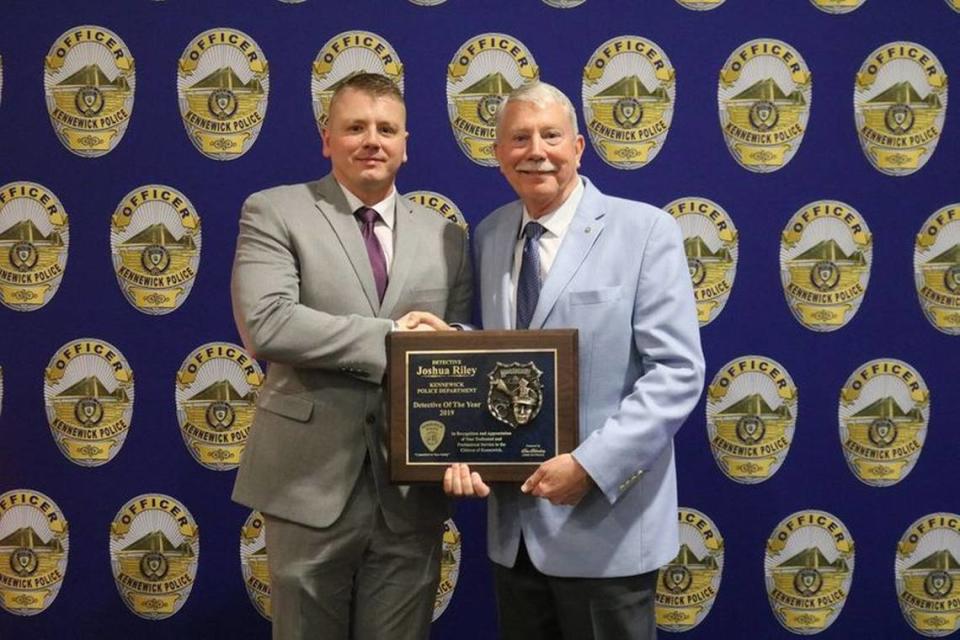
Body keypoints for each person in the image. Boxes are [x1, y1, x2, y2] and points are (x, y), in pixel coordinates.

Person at [443, 81, 704, 640]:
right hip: (514, 533)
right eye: (519, 138)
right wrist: (443, 344)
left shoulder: (645, 230)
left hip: (607, 528)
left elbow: (677, 372)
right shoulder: (488, 235)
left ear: (579, 147)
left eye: (550, 136)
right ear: (499, 154)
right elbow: (496, 351)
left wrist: (590, 465)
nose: (535, 150)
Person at [231, 72, 471, 640]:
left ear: (406, 144)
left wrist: (453, 341)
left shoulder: (447, 235)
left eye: (386, 128)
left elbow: (459, 341)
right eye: (355, 127)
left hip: (411, 488)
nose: (372, 140)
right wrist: (390, 339)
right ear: (327, 139)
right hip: (307, 481)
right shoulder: (275, 211)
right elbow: (266, 323)